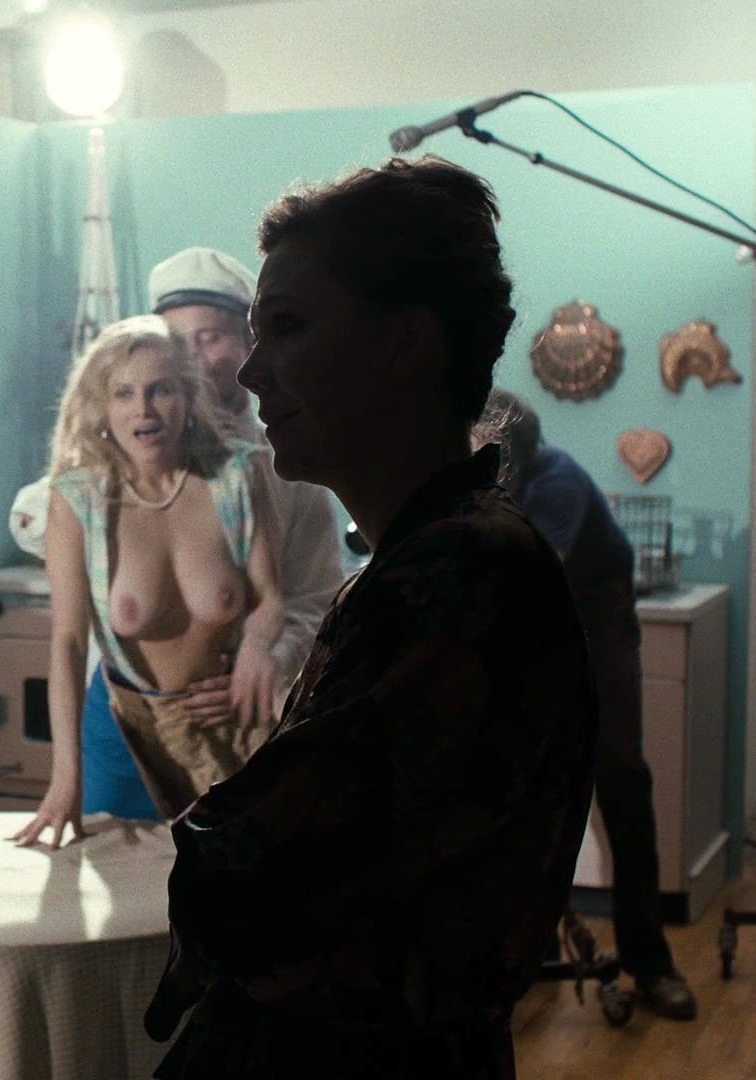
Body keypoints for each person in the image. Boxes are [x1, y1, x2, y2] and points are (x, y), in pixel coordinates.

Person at [141, 158, 599, 1078]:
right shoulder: (422, 559)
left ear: (405, 343)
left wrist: (209, 836)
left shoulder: (460, 574)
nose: (253, 371)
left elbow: (250, 883)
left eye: (288, 326)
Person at [10, 247, 346, 821]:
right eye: (176, 339)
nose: (193, 356)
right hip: (126, 707)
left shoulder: (280, 465)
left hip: (239, 708)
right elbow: (36, 518)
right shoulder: (102, 471)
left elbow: (317, 600)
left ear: (250, 342)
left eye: (209, 338)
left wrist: (266, 657)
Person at [9, 315, 285, 850]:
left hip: (228, 719)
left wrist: (256, 646)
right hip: (128, 733)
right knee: (123, 891)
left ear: (187, 397)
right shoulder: (78, 500)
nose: (145, 410)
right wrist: (65, 776)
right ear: (103, 408)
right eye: (125, 393)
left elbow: (271, 599)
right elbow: (68, 641)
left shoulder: (238, 477)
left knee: (250, 883)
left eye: (161, 390)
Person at [476, 387, 697, 1021]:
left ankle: (650, 962)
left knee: (621, 778)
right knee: (523, 792)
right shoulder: (479, 479)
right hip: (528, 629)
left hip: (595, 622)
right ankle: (532, 950)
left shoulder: (558, 481)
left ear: (514, 452)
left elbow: (530, 578)